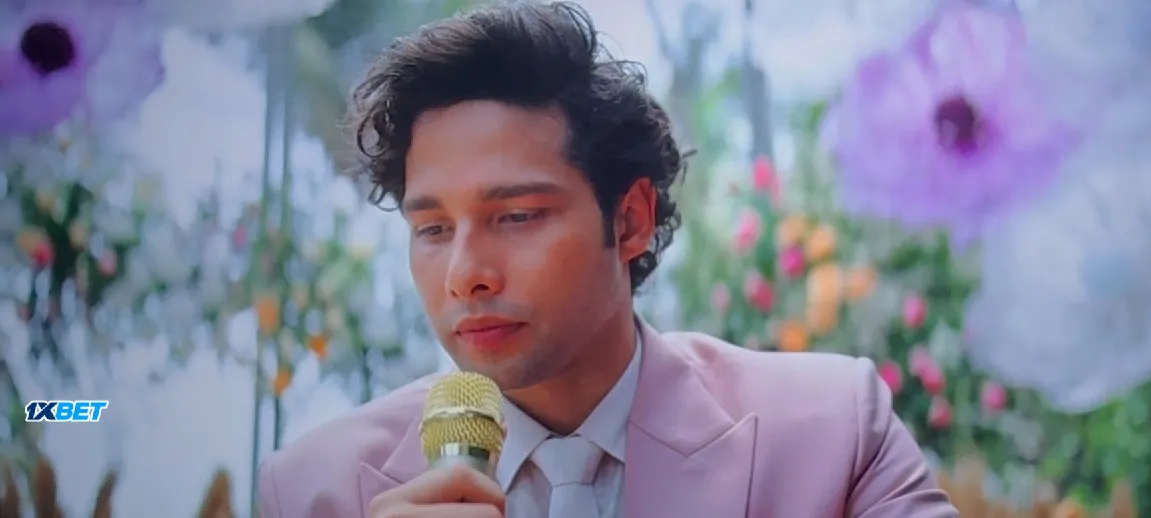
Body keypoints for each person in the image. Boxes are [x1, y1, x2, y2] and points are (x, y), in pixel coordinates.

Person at [255, 2, 958, 517]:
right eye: (433, 229)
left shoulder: (832, 432)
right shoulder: (315, 491)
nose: (465, 274)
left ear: (629, 221)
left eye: (517, 216)